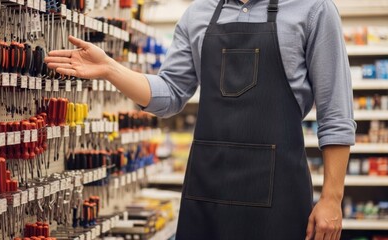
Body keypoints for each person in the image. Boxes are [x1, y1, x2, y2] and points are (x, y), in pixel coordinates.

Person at [44, 0, 356, 239]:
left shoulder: (314, 10)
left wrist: (332, 198)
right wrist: (112, 70)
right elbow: (169, 94)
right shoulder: (199, 13)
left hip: (280, 196)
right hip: (207, 194)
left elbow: (336, 113)